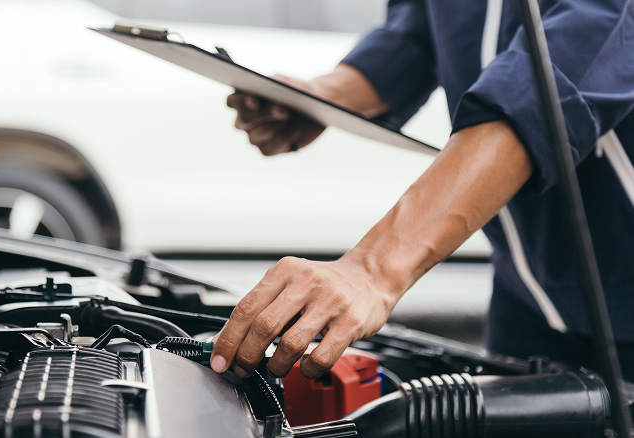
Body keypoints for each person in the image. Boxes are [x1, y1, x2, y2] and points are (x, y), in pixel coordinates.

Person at [209, 0, 634, 381]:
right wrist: (326, 96)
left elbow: (554, 76)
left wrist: (373, 269)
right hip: (530, 290)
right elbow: (420, 32)